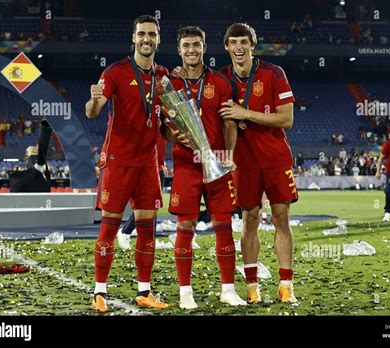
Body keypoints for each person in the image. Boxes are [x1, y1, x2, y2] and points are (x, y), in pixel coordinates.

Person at [85, 15, 169, 312]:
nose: (147, 39)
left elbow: (164, 123)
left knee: (147, 229)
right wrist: (95, 100)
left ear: (158, 39)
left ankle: (144, 290)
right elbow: (94, 111)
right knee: (109, 227)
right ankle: (99, 292)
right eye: (142, 34)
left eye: (152, 34)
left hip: (148, 163)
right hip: (119, 161)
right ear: (133, 38)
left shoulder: (163, 75)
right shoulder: (116, 72)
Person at [162, 26, 246, 309]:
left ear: (204, 47)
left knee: (224, 226)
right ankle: (186, 292)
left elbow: (229, 122)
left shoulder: (221, 83)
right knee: (185, 226)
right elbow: (164, 126)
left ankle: (228, 289)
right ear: (179, 50)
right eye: (186, 45)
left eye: (196, 45)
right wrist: (172, 135)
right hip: (186, 164)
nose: (191, 50)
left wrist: (230, 155)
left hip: (217, 163)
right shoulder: (170, 83)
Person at [218, 23, 298, 304]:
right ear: (226, 46)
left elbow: (286, 119)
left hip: (275, 158)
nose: (238, 47)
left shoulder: (274, 73)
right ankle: (252, 287)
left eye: (244, 42)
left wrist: (245, 113)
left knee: (281, 219)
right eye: (233, 42)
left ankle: (286, 284)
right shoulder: (221, 78)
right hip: (243, 162)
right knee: (249, 221)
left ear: (252, 45)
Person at [116, 131, 168, 250]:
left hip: (158, 165)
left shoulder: (160, 116)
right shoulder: (146, 116)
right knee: (146, 205)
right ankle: (125, 231)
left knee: (154, 205)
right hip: (147, 164)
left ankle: (150, 240)